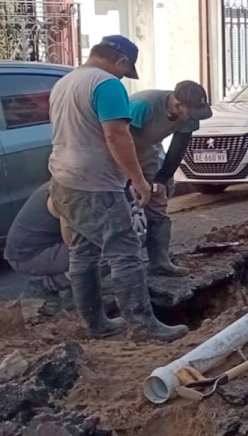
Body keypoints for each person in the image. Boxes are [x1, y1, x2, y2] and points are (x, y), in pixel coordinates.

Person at [48, 35, 187, 341]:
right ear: (121, 61)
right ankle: (143, 326)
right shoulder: (107, 84)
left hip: (64, 178)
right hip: (95, 183)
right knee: (125, 253)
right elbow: (117, 136)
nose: (124, 76)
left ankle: (96, 324)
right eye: (125, 70)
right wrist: (138, 180)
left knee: (83, 251)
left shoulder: (65, 83)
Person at [129, 81, 212, 276]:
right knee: (122, 203)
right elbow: (121, 139)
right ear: (178, 105)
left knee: (158, 201)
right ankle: (120, 269)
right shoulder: (143, 105)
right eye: (192, 113)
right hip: (118, 150)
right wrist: (133, 178)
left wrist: (162, 179)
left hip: (148, 148)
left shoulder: (188, 114)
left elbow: (178, 147)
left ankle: (159, 262)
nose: (193, 118)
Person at [3, 181, 71, 298]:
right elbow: (73, 242)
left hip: (35, 247)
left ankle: (72, 286)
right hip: (27, 256)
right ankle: (48, 285)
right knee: (94, 253)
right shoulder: (67, 195)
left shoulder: (64, 182)